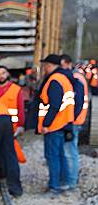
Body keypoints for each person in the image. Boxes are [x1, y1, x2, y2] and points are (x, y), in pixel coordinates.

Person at [36, 55, 76, 194]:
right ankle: (63, 182)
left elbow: (54, 105)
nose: (44, 69)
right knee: (60, 155)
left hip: (54, 125)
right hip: (63, 122)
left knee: (52, 156)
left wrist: (46, 124)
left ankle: (54, 186)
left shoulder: (54, 80)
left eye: (45, 66)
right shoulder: (64, 79)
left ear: (49, 65)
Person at [0, 66, 27, 164]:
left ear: (7, 74)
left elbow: (20, 108)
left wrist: (21, 125)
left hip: (11, 128)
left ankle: (9, 176)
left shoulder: (16, 89)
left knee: (10, 154)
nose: (1, 76)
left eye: (3, 73)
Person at [61, 54, 86, 190]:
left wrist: (69, 120)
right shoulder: (76, 77)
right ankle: (70, 180)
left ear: (68, 64)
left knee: (69, 151)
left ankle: (71, 182)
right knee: (69, 150)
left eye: (62, 65)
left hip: (74, 121)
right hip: (75, 120)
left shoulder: (76, 78)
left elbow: (77, 103)